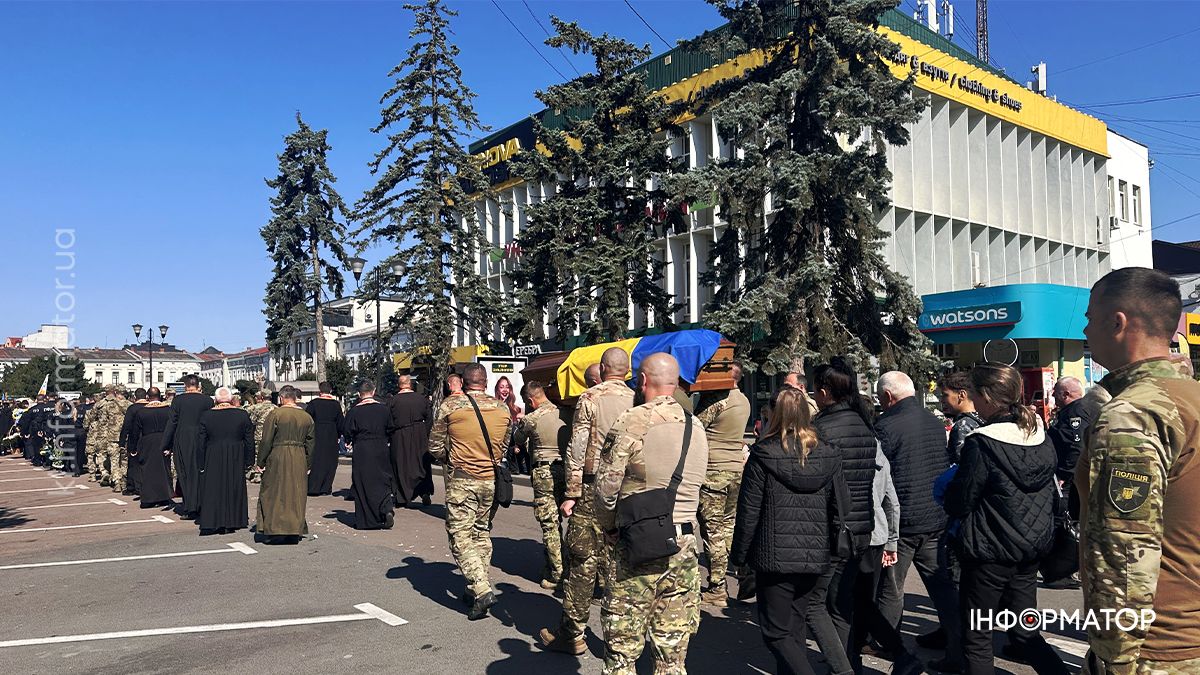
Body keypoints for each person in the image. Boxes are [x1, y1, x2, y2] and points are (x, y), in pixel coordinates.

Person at [1078, 268, 1200, 675]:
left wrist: (1117, 657)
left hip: (1158, 648)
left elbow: (1124, 553)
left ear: (1118, 321)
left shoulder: (1133, 413)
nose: (1085, 328)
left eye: (1090, 317)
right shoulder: (1192, 401)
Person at [943, 364, 1067, 675]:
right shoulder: (1040, 433)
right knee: (1024, 629)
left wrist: (947, 493)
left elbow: (962, 499)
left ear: (985, 396)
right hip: (1031, 549)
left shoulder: (982, 441)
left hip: (990, 550)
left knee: (977, 635)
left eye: (974, 394)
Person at [593, 352, 708, 673]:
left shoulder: (632, 420)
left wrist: (609, 528)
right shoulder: (696, 427)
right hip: (683, 548)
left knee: (622, 655)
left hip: (636, 546)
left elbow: (605, 490)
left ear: (643, 381)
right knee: (672, 658)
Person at [732, 388, 850, 675]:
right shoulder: (827, 454)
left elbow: (749, 511)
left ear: (773, 414)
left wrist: (738, 556)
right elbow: (841, 504)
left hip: (775, 556)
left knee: (775, 630)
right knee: (794, 625)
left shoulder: (763, 454)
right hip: (815, 552)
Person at [538, 347, 636, 654]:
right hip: (627, 488)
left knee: (582, 561)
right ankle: (618, 636)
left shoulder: (590, 399)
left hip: (594, 489)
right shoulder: (639, 400)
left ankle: (573, 634)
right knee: (619, 561)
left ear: (605, 369)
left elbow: (577, 449)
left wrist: (571, 492)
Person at [874, 371, 961, 672]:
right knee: (942, 587)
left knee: (891, 587)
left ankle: (887, 643)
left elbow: (881, 478)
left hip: (904, 521)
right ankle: (958, 645)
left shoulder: (885, 426)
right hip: (935, 516)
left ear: (887, 396)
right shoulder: (935, 422)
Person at [428, 363, 512, 621]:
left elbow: (434, 446)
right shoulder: (502, 408)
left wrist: (452, 457)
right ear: (486, 383)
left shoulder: (451, 406)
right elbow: (505, 445)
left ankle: (482, 588)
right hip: (490, 481)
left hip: (463, 480)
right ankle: (475, 587)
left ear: (463, 383)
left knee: (459, 536)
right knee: (481, 532)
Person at [695, 360, 752, 607]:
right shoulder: (744, 400)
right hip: (735, 470)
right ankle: (742, 572)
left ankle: (717, 588)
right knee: (729, 527)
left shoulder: (718, 400)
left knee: (713, 531)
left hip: (714, 472)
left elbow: (696, 426)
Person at [512, 380, 569, 590]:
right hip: (567, 469)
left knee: (550, 523)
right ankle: (567, 565)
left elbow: (518, 439)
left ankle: (558, 573)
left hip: (544, 472)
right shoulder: (566, 413)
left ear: (530, 400)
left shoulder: (532, 418)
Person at [255, 385, 315, 544]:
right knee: (297, 493)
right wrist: (308, 464)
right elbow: (311, 443)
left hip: (278, 454)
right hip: (299, 455)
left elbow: (266, 440)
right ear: (295, 398)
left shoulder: (275, 414)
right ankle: (295, 529)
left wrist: (260, 461)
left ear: (281, 398)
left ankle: (276, 529)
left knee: (275, 491)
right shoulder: (306, 417)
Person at [196, 387, 255, 534]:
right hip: (236, 452)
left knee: (214, 487)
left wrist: (200, 461)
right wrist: (249, 460)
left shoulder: (206, 416)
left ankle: (214, 519)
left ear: (215, 400)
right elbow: (249, 439)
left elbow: (201, 441)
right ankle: (234, 519)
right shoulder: (242, 414)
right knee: (234, 486)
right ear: (231, 399)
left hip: (213, 452)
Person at [160, 374, 214, 519]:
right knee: (202, 472)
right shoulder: (208, 400)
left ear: (185, 386)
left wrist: (166, 444)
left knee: (185, 474)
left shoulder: (178, 400)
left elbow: (172, 423)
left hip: (183, 439)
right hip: (204, 438)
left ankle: (190, 507)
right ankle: (203, 504)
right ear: (199, 386)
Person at [344, 380, 395, 530]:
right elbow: (391, 427)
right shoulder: (384, 409)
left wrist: (349, 441)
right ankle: (385, 508)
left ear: (360, 395)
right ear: (373, 392)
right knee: (382, 478)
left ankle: (366, 520)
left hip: (362, 448)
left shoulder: (354, 411)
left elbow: (347, 431)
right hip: (380, 447)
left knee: (363, 482)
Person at [1047, 376, 1099, 521]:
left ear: (1066, 394)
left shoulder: (1076, 412)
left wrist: (1065, 474)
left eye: (1055, 392)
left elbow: (1077, 446)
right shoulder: (1075, 410)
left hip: (1071, 479)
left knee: (1068, 517)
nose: (1052, 396)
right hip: (1073, 476)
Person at [388, 375, 433, 506]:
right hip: (419, 433)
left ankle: (402, 495)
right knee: (421, 463)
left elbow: (388, 420)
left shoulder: (393, 401)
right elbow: (430, 418)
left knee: (401, 465)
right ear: (410, 385)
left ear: (399, 385)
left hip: (399, 434)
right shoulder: (421, 399)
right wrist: (425, 431)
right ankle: (425, 491)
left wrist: (390, 433)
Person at [128, 387, 174, 508]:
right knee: (164, 469)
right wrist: (171, 445)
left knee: (147, 470)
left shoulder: (141, 412)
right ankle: (165, 497)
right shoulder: (168, 410)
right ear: (160, 396)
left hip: (147, 442)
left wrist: (132, 448)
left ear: (148, 397)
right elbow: (173, 427)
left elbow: (135, 432)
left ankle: (149, 498)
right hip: (164, 440)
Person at [306, 382, 344, 497]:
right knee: (330, 462)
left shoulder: (314, 403)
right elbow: (340, 422)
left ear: (319, 391)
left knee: (316, 460)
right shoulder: (336, 404)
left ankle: (313, 487)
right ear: (331, 391)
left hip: (317, 433)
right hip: (331, 434)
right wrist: (339, 434)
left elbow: (308, 419)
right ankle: (326, 487)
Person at [940, 371, 984, 465]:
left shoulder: (962, 426)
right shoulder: (982, 418)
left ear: (962, 395)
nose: (942, 400)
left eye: (945, 395)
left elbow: (960, 465)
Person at [119, 388, 149, 495]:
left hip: (134, 439)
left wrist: (122, 441)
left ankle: (132, 487)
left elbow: (126, 425)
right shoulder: (149, 406)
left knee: (133, 464)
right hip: (147, 438)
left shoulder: (132, 409)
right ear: (146, 397)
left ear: (135, 397)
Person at [245, 391, 277, 484]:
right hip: (272, 434)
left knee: (257, 455)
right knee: (270, 454)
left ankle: (257, 474)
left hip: (259, 434)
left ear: (262, 397)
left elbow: (252, 420)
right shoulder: (276, 408)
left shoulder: (257, 407)